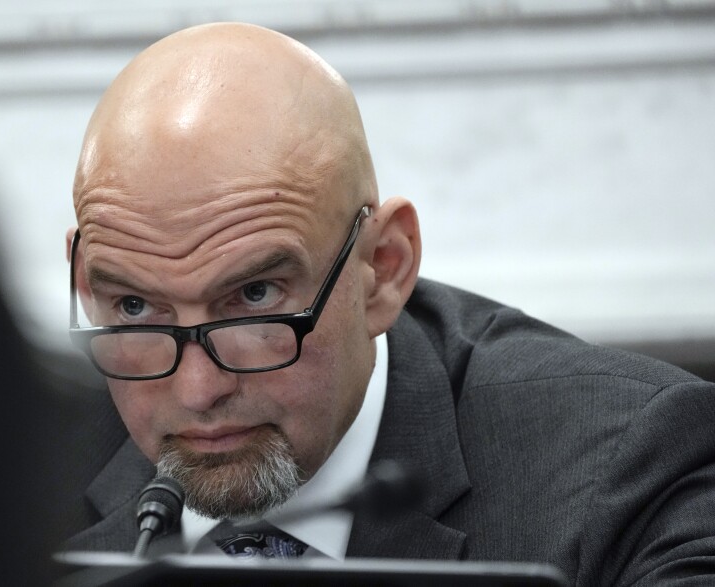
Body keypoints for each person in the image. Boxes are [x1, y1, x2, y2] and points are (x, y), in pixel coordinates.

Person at [61, 22, 715, 584]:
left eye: (255, 297)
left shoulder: (625, 466)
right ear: (87, 279)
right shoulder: (1, 477)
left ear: (383, 267)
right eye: (137, 308)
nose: (197, 389)